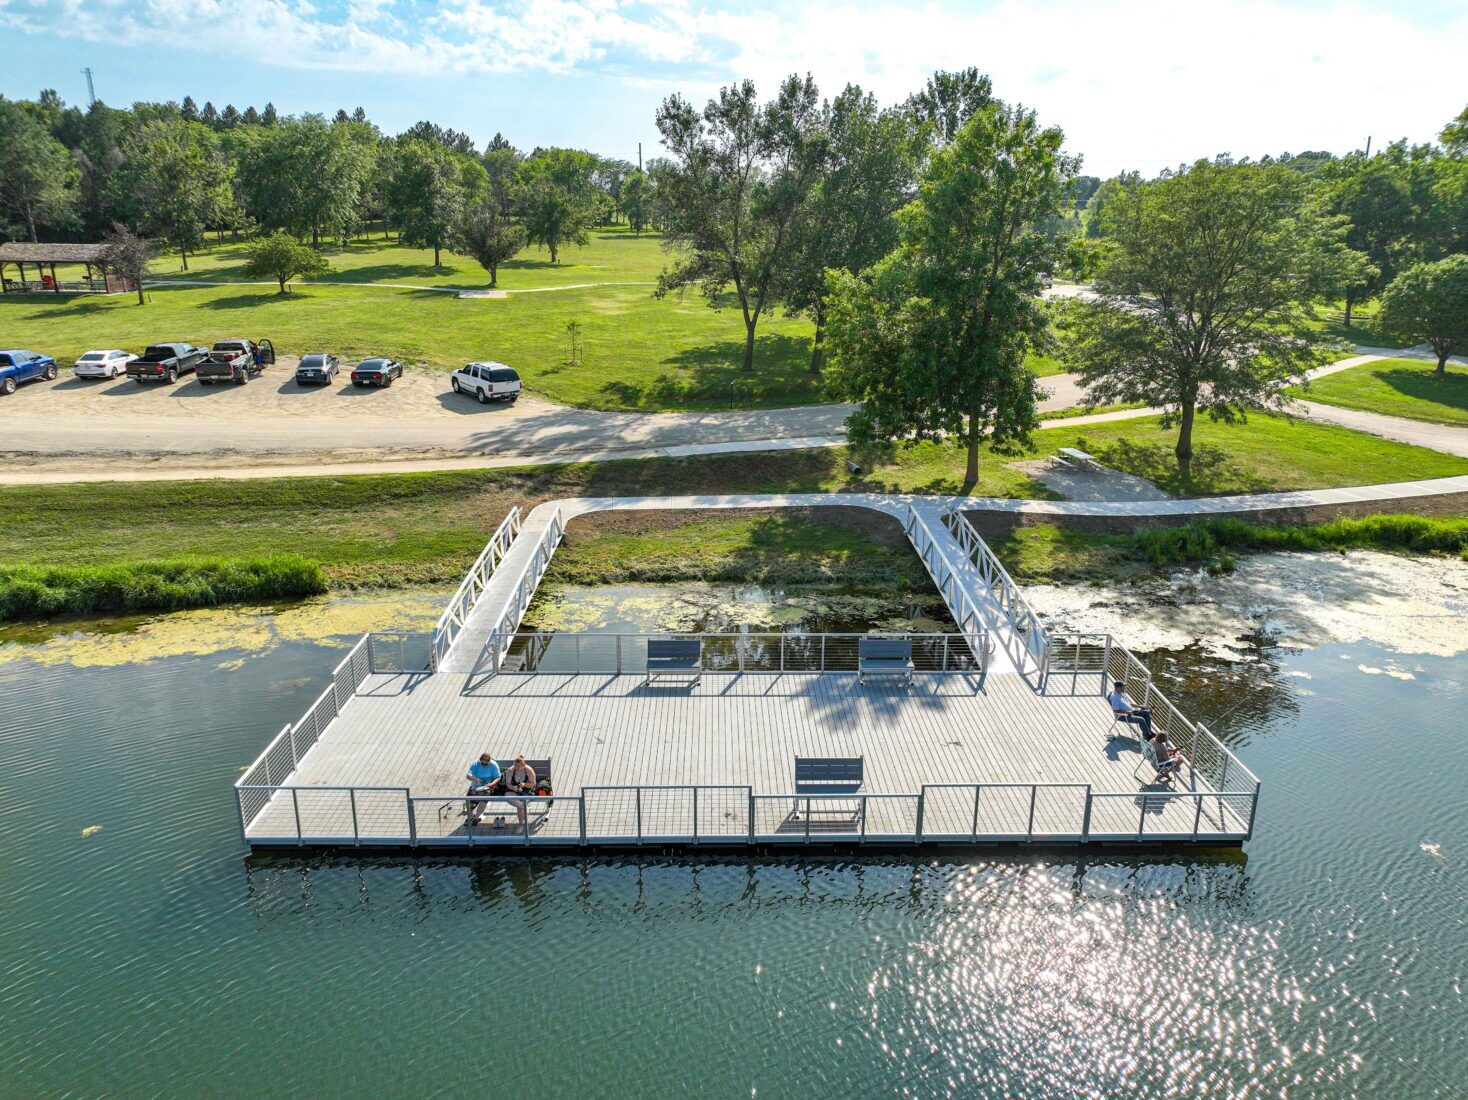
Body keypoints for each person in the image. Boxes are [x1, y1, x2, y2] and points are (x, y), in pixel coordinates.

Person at [465, 753, 501, 826]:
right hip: (475, 786)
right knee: (469, 799)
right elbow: (468, 776)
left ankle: (476, 817)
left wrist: (492, 784)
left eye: (486, 764)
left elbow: (498, 777)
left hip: (488, 786)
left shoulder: (494, 765)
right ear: (480, 760)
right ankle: (471, 816)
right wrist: (475, 779)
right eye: (482, 763)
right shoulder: (476, 763)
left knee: (484, 798)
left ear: (489, 761)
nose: (484, 765)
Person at [502, 755, 538, 828]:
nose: (516, 767)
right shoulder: (510, 771)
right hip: (514, 790)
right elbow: (508, 784)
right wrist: (514, 788)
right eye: (515, 765)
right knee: (508, 797)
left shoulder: (529, 770)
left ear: (523, 765)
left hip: (527, 790)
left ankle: (521, 824)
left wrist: (525, 784)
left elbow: (533, 784)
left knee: (520, 804)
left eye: (518, 766)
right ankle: (525, 808)